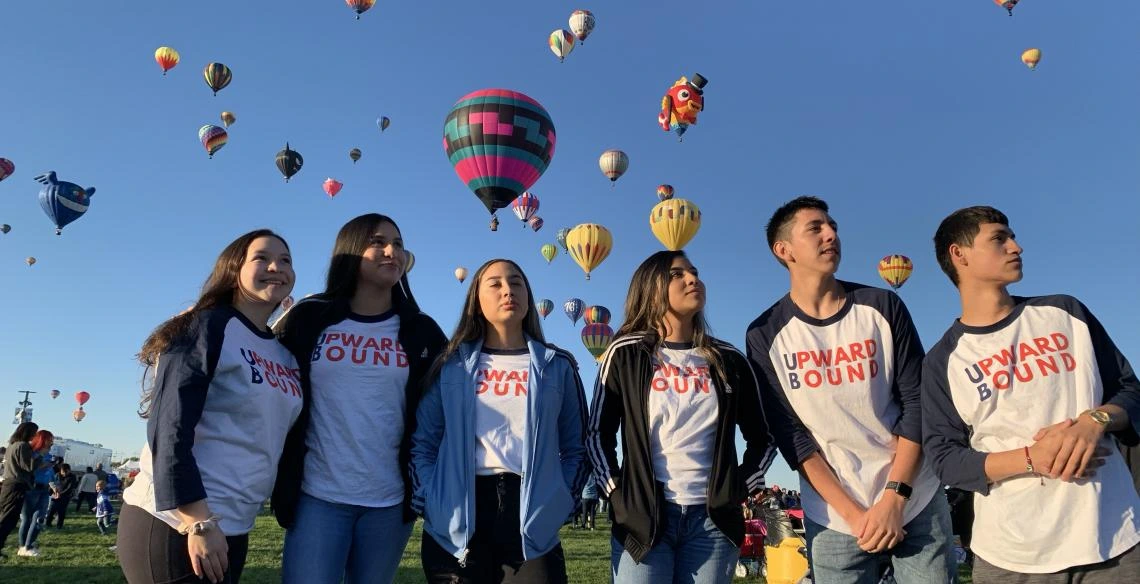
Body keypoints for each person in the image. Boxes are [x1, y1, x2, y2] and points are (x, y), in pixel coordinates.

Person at [923, 206, 1140, 580]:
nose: (1017, 247)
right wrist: (1031, 458)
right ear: (959, 254)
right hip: (1014, 554)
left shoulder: (1065, 312)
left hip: (1114, 537)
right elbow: (945, 459)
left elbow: (1130, 391)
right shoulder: (943, 361)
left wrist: (1095, 420)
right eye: (999, 238)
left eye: (1013, 236)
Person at [746, 196, 954, 583]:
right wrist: (857, 516)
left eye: (834, 227)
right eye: (816, 228)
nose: (831, 235)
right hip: (835, 516)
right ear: (783, 249)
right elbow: (793, 437)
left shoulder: (881, 306)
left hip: (914, 500)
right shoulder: (765, 334)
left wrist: (893, 498)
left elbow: (917, 404)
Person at [118, 229, 303, 584]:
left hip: (234, 523)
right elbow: (169, 427)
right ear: (234, 269)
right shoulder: (207, 325)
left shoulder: (283, 354)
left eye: (286, 260)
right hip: (176, 521)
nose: (276, 267)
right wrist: (197, 521)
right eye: (261, 258)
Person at [274, 213, 447, 584]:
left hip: (389, 500)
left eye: (398, 244)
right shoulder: (309, 317)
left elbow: (454, 401)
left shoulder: (423, 331)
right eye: (378, 242)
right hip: (316, 495)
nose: (392, 251)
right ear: (351, 252)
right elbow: (260, 364)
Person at [588, 250, 776, 584]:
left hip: (713, 522)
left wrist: (740, 487)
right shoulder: (625, 353)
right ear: (650, 287)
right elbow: (596, 435)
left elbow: (764, 437)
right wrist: (618, 496)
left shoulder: (729, 359)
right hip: (644, 518)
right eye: (677, 274)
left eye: (695, 271)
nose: (693, 279)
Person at [411, 259, 589, 584]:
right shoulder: (451, 365)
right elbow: (423, 442)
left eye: (517, 282)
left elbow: (577, 446)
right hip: (457, 514)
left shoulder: (557, 366)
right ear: (476, 300)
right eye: (495, 284)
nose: (508, 290)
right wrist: (430, 498)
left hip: (532, 513)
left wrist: (562, 500)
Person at [0, 422, 39, 558]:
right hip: (17, 485)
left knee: (5, 516)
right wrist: (38, 456)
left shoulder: (12, 446)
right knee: (8, 519)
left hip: (8, 484)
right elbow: (29, 466)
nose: (35, 436)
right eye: (34, 432)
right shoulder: (23, 446)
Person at [17, 429, 55, 557]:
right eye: (50, 440)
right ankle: (23, 547)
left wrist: (54, 485)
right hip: (31, 489)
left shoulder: (49, 455)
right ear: (42, 440)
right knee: (27, 519)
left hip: (44, 490)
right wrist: (41, 465)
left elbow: (50, 473)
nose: (51, 443)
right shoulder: (32, 454)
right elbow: (28, 469)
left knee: (39, 518)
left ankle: (29, 545)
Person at [46, 463, 78, 528]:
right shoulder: (57, 475)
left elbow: (70, 487)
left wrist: (61, 494)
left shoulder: (72, 477)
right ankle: (48, 523)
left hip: (65, 496)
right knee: (51, 510)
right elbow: (52, 484)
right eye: (63, 472)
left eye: (66, 472)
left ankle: (59, 525)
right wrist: (51, 493)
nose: (64, 474)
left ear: (69, 470)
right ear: (60, 470)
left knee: (61, 511)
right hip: (55, 495)